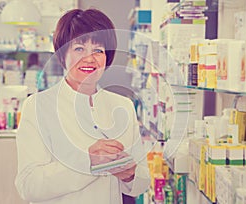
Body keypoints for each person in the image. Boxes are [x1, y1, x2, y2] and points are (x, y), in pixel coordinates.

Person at [15, 8, 150, 204]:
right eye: (79, 48)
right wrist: (88, 162)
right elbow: (28, 186)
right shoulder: (38, 107)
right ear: (62, 54)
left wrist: (130, 175)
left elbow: (142, 183)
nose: (89, 58)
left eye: (98, 50)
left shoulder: (123, 106)